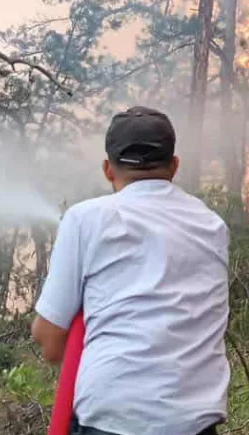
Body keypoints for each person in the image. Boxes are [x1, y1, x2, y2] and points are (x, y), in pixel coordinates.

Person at [31, 106, 231, 435]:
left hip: (111, 420)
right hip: (195, 423)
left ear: (108, 170)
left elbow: (49, 337)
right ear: (175, 165)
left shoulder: (85, 219)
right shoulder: (213, 225)